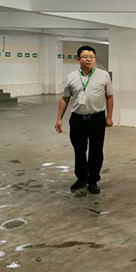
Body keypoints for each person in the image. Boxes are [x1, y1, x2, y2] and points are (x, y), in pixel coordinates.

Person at [55, 46, 113, 194]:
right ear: (78, 59)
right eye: (85, 57)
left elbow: (109, 97)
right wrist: (59, 119)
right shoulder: (71, 77)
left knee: (96, 150)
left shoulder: (104, 75)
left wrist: (109, 117)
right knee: (79, 150)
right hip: (77, 119)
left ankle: (93, 180)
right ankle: (81, 178)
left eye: (91, 57)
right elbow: (65, 98)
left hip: (96, 118)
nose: (89, 60)